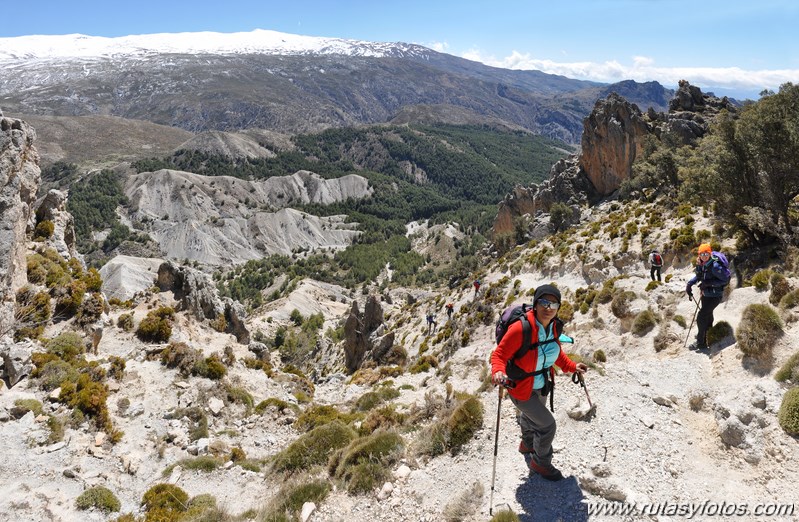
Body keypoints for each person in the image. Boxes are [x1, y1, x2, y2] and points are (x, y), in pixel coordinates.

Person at [490, 284, 588, 481]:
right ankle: (540, 462)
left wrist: (572, 367)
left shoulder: (553, 327)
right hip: (520, 387)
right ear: (535, 304)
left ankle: (527, 444)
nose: (548, 307)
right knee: (547, 425)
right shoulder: (521, 328)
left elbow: (556, 354)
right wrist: (498, 372)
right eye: (544, 302)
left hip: (542, 384)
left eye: (553, 304)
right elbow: (498, 355)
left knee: (530, 417)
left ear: (558, 307)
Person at [685, 243, 729, 352]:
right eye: (702, 254)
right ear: (699, 255)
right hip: (706, 294)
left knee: (701, 316)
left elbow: (725, 280)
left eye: (706, 253)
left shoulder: (715, 266)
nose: (704, 256)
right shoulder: (702, 263)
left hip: (715, 296)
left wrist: (708, 283)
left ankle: (701, 343)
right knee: (708, 315)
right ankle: (709, 334)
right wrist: (689, 284)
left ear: (709, 253)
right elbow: (699, 276)